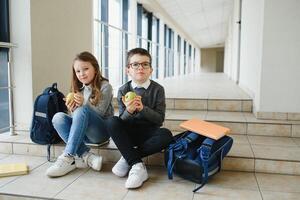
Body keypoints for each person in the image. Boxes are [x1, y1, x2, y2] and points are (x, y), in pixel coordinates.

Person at [106, 48, 173, 189]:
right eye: (135, 64)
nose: (140, 68)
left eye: (145, 64)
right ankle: (137, 165)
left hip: (149, 133)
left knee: (166, 135)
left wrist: (143, 108)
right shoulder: (123, 90)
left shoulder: (158, 89)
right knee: (112, 122)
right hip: (129, 133)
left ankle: (128, 157)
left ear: (151, 70)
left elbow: (159, 119)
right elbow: (122, 121)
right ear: (128, 70)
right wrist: (129, 111)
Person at [46, 51, 114, 177]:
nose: (81, 74)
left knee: (82, 110)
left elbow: (99, 113)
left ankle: (68, 156)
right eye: (78, 71)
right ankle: (86, 155)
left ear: (95, 69)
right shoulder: (78, 90)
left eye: (86, 69)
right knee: (58, 117)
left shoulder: (106, 86)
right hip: (83, 135)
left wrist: (84, 104)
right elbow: (77, 121)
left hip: (100, 133)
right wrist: (71, 109)